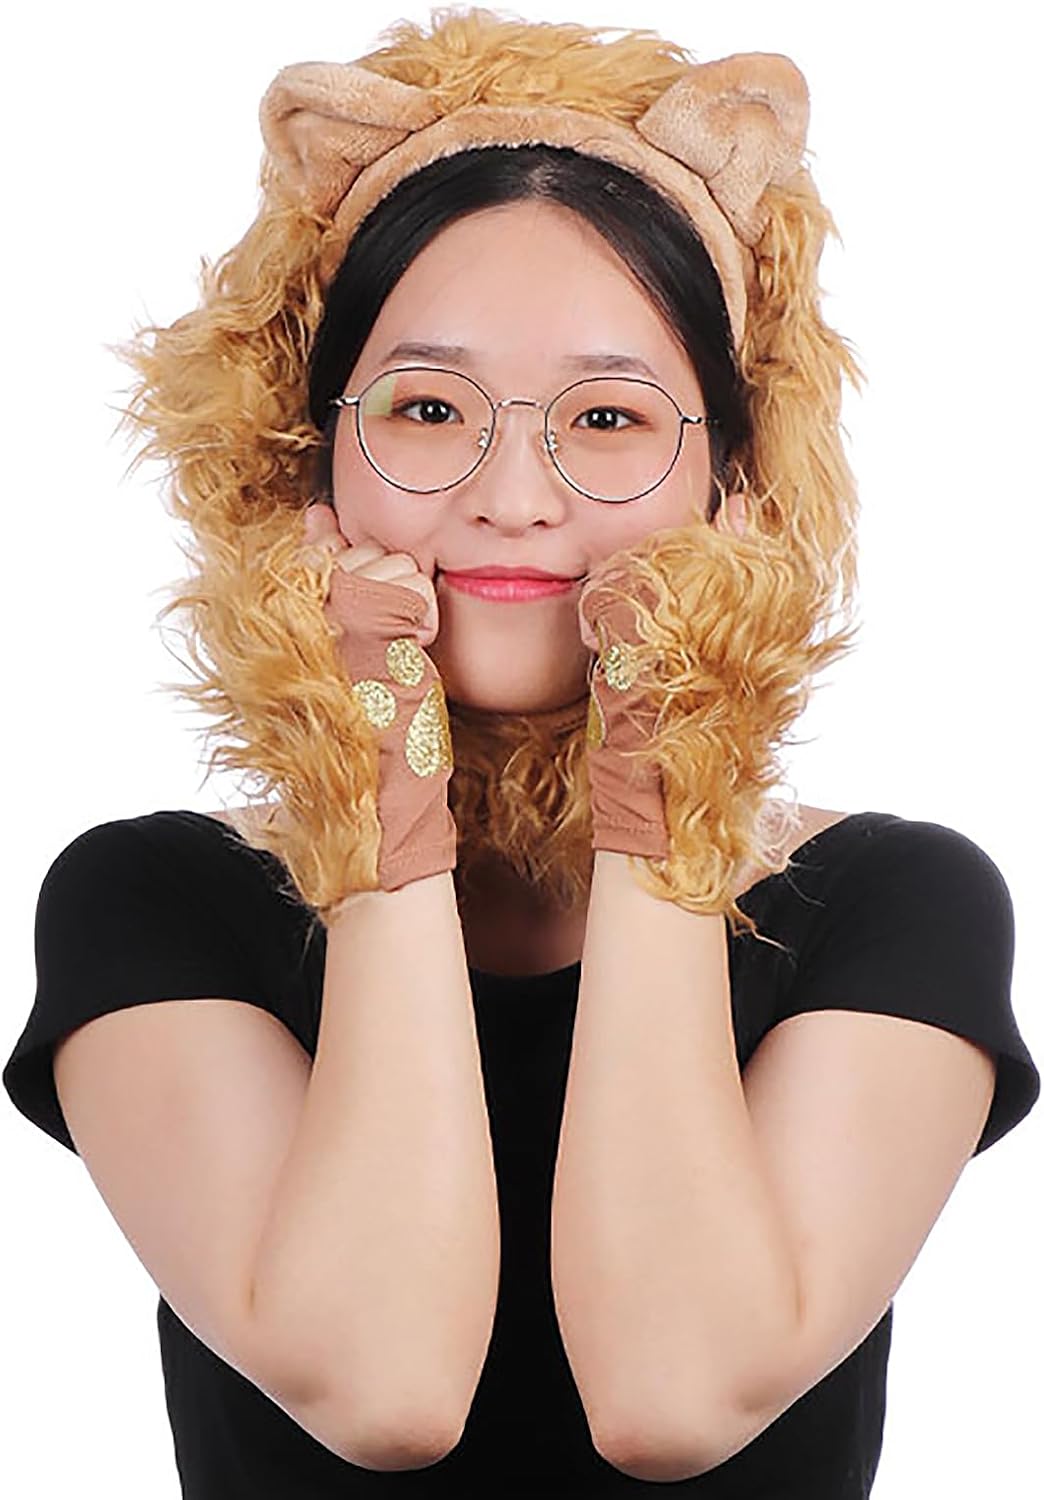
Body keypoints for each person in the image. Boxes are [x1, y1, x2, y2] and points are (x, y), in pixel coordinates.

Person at [2, 8, 1039, 1496]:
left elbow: (675, 1395)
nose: (512, 494)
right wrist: (373, 773)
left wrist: (668, 754)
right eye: (429, 408)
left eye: (607, 417)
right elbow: (383, 1387)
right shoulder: (151, 899)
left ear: (736, 482)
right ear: (306, 462)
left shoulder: (894, 902)